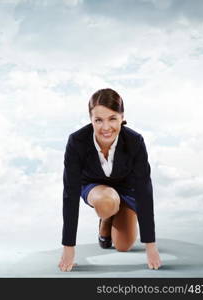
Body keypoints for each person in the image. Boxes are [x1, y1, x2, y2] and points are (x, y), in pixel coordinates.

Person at [58, 88, 162, 272]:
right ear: (91, 119)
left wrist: (150, 246)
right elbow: (70, 194)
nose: (106, 127)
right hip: (95, 187)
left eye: (112, 118)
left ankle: (112, 216)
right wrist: (68, 248)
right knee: (107, 201)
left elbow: (144, 190)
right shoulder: (77, 142)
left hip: (127, 189)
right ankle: (106, 216)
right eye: (98, 120)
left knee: (123, 246)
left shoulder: (135, 141)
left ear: (122, 116)